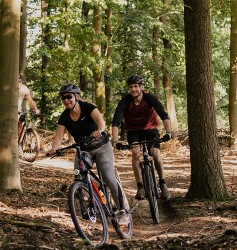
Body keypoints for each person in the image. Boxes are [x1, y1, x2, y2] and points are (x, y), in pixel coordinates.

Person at [47, 84, 130, 224]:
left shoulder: (88, 107)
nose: (66, 100)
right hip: (83, 149)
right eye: (63, 98)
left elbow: (100, 121)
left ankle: (123, 210)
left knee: (107, 176)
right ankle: (92, 201)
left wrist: (99, 130)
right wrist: (54, 149)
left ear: (77, 97)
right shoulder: (64, 117)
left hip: (101, 146)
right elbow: (59, 136)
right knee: (78, 176)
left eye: (69, 97)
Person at [111, 74, 173, 200]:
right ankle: (140, 187)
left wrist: (168, 132)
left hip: (150, 129)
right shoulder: (125, 101)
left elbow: (164, 115)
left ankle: (162, 183)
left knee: (155, 153)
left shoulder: (150, 98)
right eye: (131, 87)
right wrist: (115, 140)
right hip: (134, 131)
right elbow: (116, 122)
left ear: (141, 87)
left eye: (136, 86)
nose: (133, 89)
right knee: (135, 153)